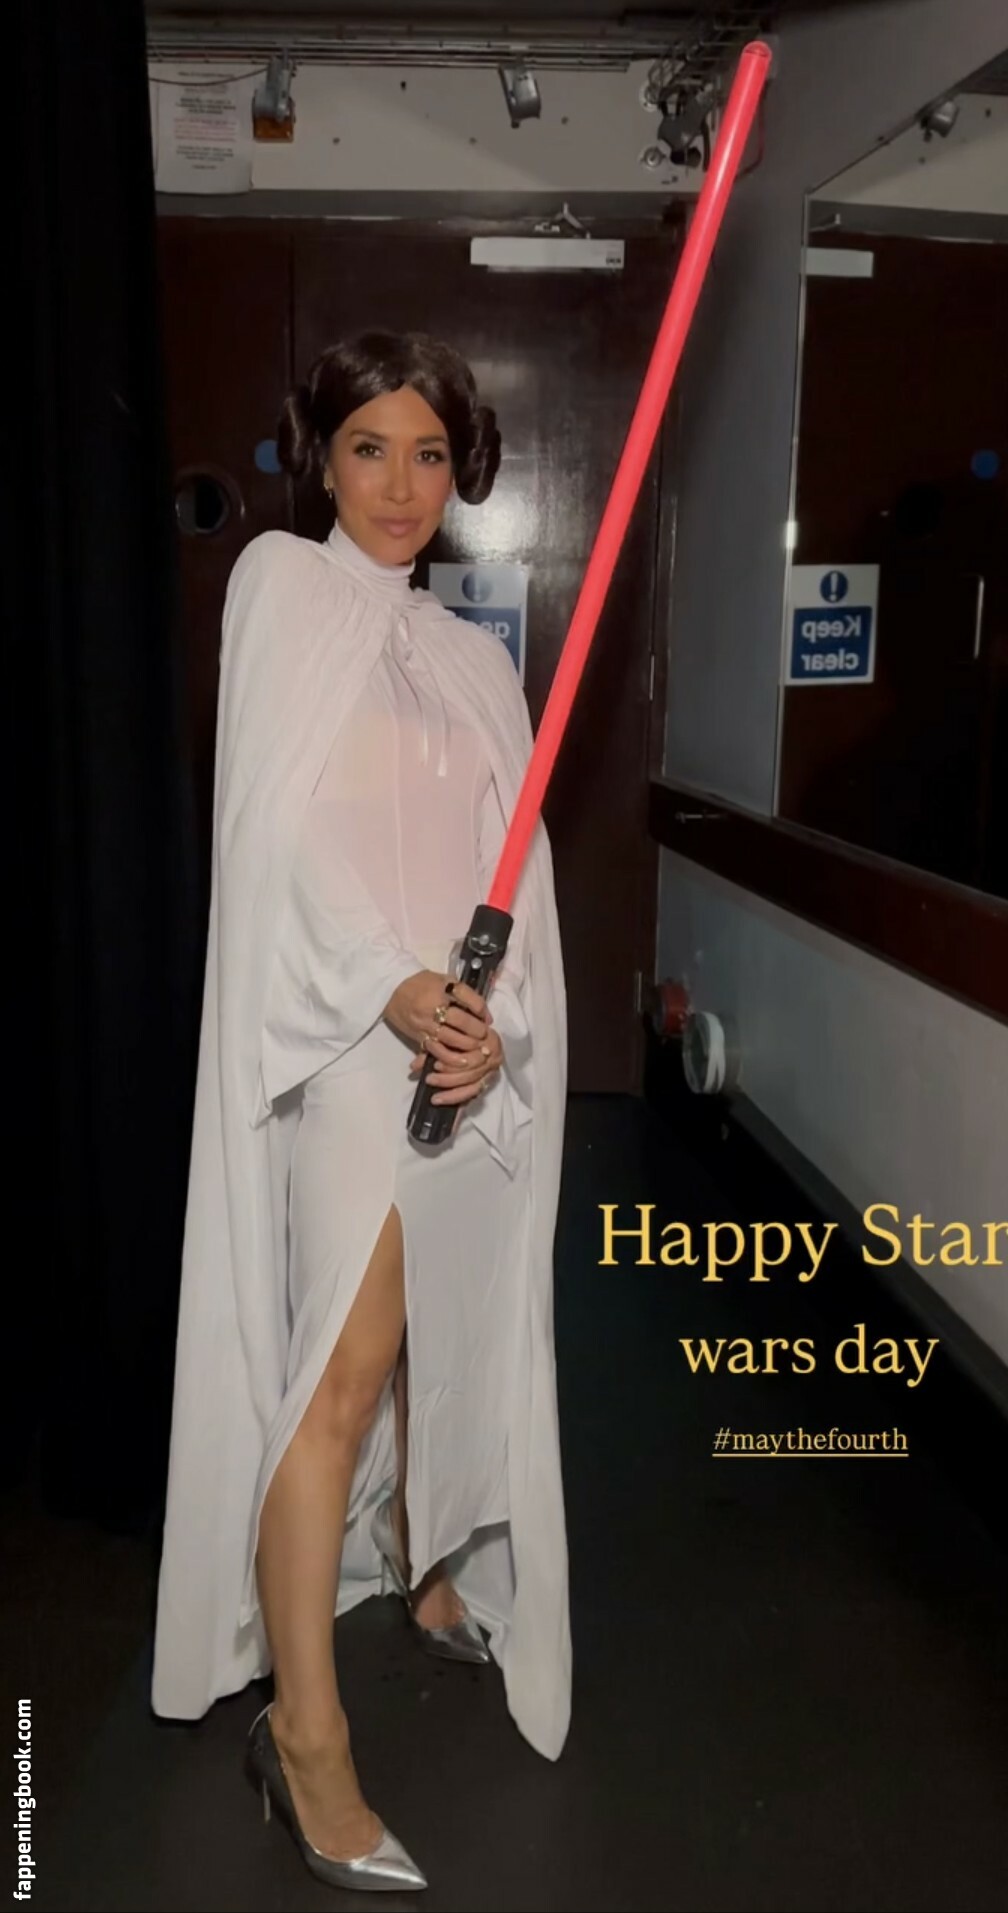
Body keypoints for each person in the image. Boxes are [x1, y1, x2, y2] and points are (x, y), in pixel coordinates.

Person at [151, 331, 571, 1892]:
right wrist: (389, 986)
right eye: (369, 449)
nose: (401, 486)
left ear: (463, 471)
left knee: (436, 1334)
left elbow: (512, 869)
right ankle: (306, 1738)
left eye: (430, 454)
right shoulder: (282, 587)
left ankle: (423, 1560)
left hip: (451, 1043)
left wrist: (488, 1021)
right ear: (318, 457)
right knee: (339, 1374)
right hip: (345, 1046)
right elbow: (277, 840)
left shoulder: (472, 655)